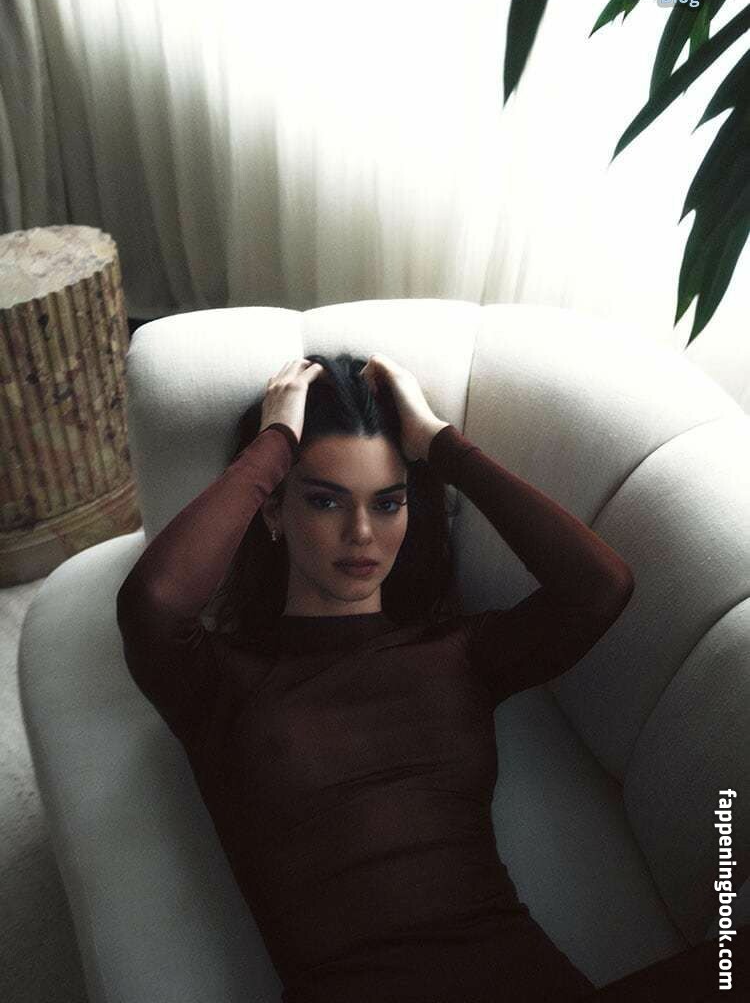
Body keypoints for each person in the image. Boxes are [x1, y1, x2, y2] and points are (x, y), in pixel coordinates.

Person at [116, 353, 748, 1002]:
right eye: (326, 500)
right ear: (273, 512)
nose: (362, 533)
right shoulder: (219, 680)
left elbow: (600, 586)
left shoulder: (460, 653)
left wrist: (440, 444)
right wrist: (274, 443)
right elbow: (153, 602)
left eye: (388, 502)